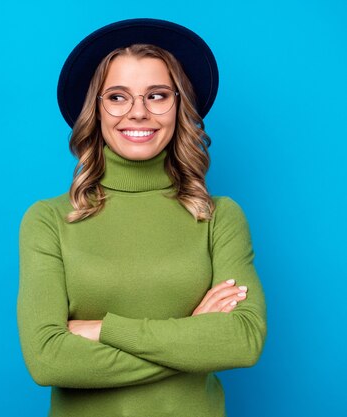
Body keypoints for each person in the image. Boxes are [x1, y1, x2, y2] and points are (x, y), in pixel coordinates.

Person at [17, 18, 267, 417]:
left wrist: (103, 330)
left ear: (179, 105)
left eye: (157, 95)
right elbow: (48, 360)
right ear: (95, 111)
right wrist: (191, 338)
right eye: (117, 97)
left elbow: (243, 340)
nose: (138, 113)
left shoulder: (220, 217)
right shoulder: (48, 220)